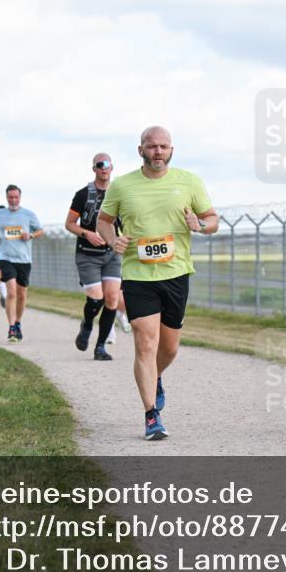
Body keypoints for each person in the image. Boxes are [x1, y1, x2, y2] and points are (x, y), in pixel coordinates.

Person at [98, 126, 219, 440]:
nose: (158, 152)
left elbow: (213, 220)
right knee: (145, 343)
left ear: (171, 150)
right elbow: (103, 221)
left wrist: (199, 224)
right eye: (152, 146)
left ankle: (156, 376)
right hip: (138, 275)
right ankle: (151, 415)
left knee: (169, 347)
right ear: (141, 150)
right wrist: (112, 240)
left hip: (176, 273)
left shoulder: (189, 181)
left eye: (164, 146)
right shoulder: (122, 185)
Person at [66, 153, 124, 361]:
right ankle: (88, 323)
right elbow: (69, 223)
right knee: (96, 298)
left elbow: (125, 222)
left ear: (112, 168)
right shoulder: (83, 195)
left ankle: (100, 347)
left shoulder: (119, 194)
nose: (104, 168)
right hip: (88, 255)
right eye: (100, 164)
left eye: (108, 164)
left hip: (112, 254)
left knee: (112, 298)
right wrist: (87, 233)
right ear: (94, 169)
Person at [0, 185, 43, 342]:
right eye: (10, 197)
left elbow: (40, 231)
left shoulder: (28, 214)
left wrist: (31, 235)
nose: (13, 200)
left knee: (21, 294)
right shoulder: (0, 214)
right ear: (6, 197)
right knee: (11, 292)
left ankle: (18, 322)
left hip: (24, 259)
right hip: (5, 257)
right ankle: (11, 327)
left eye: (16, 197)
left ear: (20, 197)